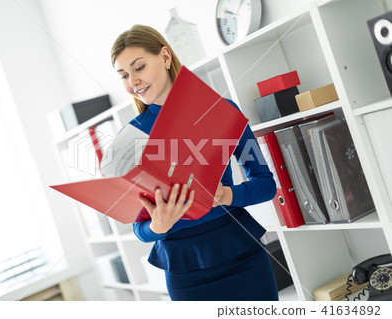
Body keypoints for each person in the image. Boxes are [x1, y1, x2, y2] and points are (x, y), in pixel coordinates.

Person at [109, 24, 279, 301]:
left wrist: (227, 195)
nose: (132, 82)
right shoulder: (130, 139)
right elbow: (139, 229)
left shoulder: (222, 111)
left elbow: (266, 184)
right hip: (183, 269)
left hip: (243, 255)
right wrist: (157, 227)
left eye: (138, 68)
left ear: (165, 57)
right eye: (124, 75)